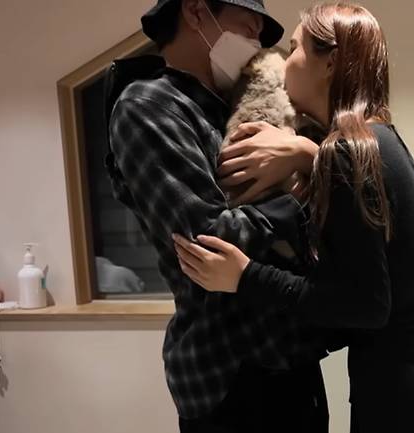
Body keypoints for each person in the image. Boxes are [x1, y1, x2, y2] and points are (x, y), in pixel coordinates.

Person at [173, 2, 414, 432]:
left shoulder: (347, 151)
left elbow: (363, 305)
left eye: (294, 48)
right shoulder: (377, 138)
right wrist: (307, 155)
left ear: (329, 63)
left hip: (399, 398)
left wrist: (245, 276)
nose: (283, 61)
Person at [106, 1, 332, 432]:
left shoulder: (234, 103)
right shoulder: (148, 106)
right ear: (196, 12)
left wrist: (305, 156)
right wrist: (296, 198)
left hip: (291, 355)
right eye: (248, 26)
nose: (256, 42)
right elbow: (207, 241)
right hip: (229, 373)